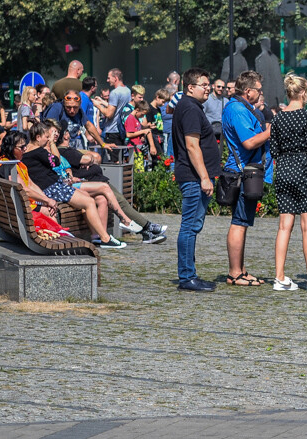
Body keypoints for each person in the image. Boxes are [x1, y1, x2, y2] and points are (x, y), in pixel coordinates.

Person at [20, 121, 126, 249]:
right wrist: (52, 143)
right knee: (89, 202)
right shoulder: (38, 151)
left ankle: (96, 236)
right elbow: (57, 161)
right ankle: (105, 238)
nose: (48, 140)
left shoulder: (27, 152)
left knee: (88, 196)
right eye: (46, 137)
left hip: (51, 187)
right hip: (53, 188)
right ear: (38, 137)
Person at [269, 73, 307, 293]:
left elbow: (273, 150)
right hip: (304, 171)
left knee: (284, 226)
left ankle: (279, 277)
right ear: (303, 93)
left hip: (283, 170)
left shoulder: (278, 118)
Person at [57, 143, 168, 244]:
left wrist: (90, 159)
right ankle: (146, 227)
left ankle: (145, 232)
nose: (67, 135)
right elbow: (87, 159)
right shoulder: (64, 151)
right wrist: (90, 161)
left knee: (115, 200)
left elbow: (96, 157)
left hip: (96, 180)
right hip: (91, 182)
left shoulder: (69, 150)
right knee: (119, 201)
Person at [173, 67, 222, 292]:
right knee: (189, 227)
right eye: (204, 84)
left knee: (193, 226)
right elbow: (192, 146)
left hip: (195, 177)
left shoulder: (190, 106)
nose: (208, 88)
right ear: (190, 87)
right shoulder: (190, 108)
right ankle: (187, 277)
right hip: (193, 177)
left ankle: (189, 274)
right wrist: (204, 177)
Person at [221, 70, 270, 287]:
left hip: (245, 171)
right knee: (239, 223)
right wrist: (271, 130)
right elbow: (249, 142)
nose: (261, 93)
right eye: (259, 90)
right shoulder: (238, 110)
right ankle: (234, 273)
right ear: (248, 91)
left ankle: (240, 270)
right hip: (242, 173)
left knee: (243, 222)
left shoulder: (239, 108)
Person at [42, 90, 111, 151]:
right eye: (68, 107)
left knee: (95, 158)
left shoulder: (79, 111)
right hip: (57, 148)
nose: (72, 110)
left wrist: (103, 144)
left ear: (80, 103)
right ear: (64, 103)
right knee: (91, 158)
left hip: (71, 148)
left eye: (75, 107)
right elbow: (46, 128)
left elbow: (89, 126)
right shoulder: (56, 108)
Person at [93, 68, 131, 146]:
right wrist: (102, 102)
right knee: (121, 156)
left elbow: (109, 114)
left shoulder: (114, 92)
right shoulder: (127, 90)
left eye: (109, 78)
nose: (107, 80)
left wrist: (98, 105)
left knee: (114, 158)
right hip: (122, 130)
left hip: (113, 131)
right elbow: (118, 107)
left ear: (115, 78)